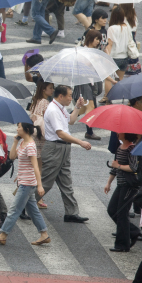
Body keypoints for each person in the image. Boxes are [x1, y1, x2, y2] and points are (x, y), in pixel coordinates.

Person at [0, 121, 49, 246]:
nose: (17, 129)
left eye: (19, 127)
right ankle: (44, 234)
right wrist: (15, 141)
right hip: (24, 180)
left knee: (14, 210)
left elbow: (35, 166)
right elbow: (12, 156)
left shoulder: (30, 146)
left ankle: (3, 234)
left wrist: (40, 185)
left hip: (27, 183)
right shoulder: (22, 143)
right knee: (33, 210)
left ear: (26, 129)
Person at [40, 85, 90, 223]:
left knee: (66, 181)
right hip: (55, 148)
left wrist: (77, 107)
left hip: (63, 148)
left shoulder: (60, 107)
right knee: (46, 182)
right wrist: (80, 142)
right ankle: (24, 205)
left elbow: (71, 121)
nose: (71, 98)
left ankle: (71, 213)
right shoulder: (53, 110)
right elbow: (60, 133)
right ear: (60, 96)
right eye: (69, 95)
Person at [104, 129, 142, 253]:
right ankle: (133, 231)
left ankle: (122, 245)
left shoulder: (132, 149)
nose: (117, 133)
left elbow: (133, 167)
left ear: (126, 134)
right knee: (112, 210)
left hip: (129, 185)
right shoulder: (120, 147)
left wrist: (118, 166)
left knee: (121, 213)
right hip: (120, 184)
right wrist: (109, 182)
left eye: (119, 132)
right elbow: (115, 166)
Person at [103, 6, 132, 100]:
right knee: (119, 80)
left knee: (108, 79)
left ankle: (108, 99)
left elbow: (110, 44)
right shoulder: (127, 27)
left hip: (114, 56)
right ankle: (119, 97)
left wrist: (107, 57)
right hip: (124, 57)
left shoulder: (111, 28)